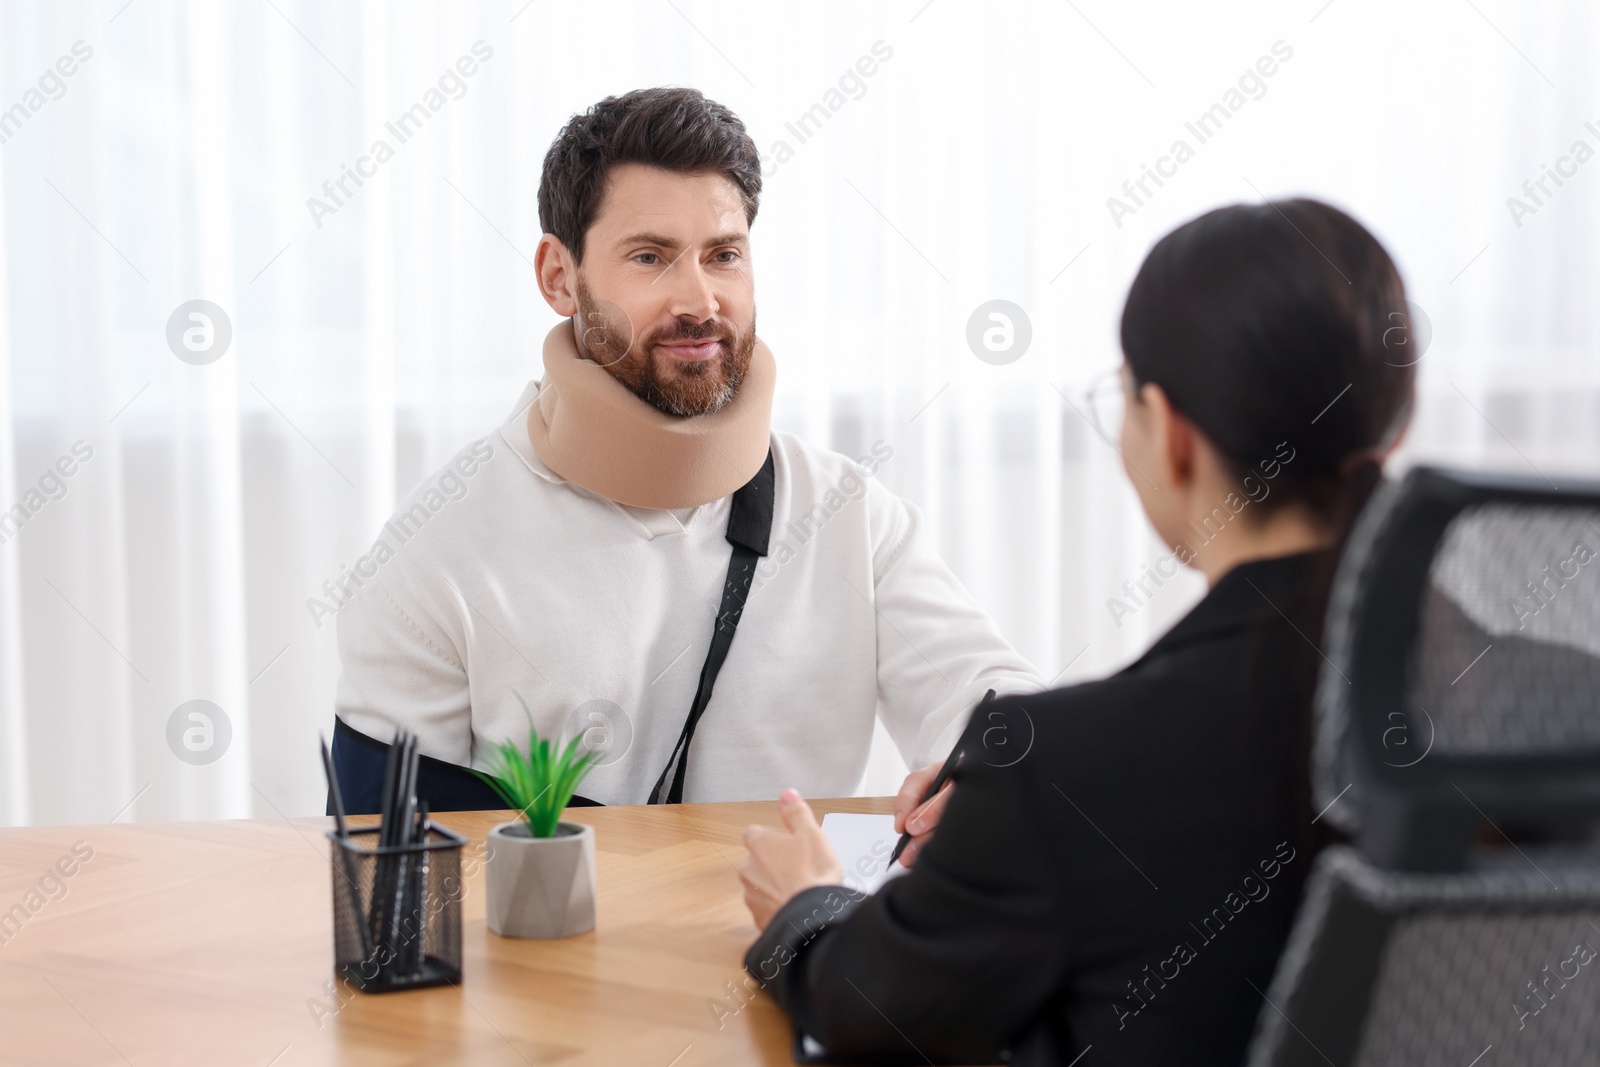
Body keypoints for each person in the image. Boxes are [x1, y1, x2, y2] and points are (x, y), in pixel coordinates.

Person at [737, 198, 1418, 1065]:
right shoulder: (1544, 704)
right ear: (1399, 415)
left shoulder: (1069, 767)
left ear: (1169, 434)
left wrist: (806, 908)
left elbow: (873, 1010)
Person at [328, 87, 1040, 811]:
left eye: (723, 254)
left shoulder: (847, 514)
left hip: (800, 922)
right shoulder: (438, 554)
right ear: (557, 277)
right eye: (650, 256)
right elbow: (387, 875)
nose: (699, 301)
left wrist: (986, 777)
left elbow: (994, 702)